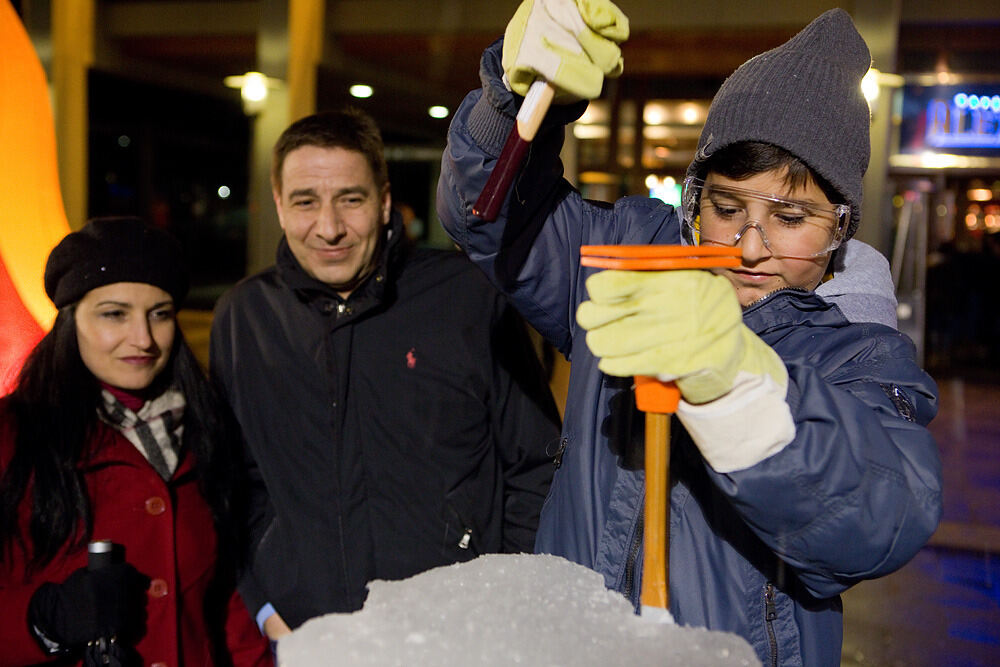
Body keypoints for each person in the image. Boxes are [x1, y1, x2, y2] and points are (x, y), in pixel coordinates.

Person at [436, 3, 942, 666]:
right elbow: (486, 218)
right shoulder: (627, 252)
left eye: (792, 217)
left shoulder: (859, 349)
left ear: (842, 223)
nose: (750, 246)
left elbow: (882, 515)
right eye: (726, 207)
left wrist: (735, 385)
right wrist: (515, 95)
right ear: (694, 196)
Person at [209, 108, 561, 639]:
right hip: (311, 635)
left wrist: (505, 603)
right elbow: (236, 485)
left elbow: (535, 468)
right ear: (279, 206)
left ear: (385, 200)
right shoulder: (244, 318)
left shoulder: (467, 298)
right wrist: (267, 605)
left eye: (351, 199)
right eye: (306, 202)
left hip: (457, 631)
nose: (329, 229)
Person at [0, 218, 271, 667]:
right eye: (114, 314)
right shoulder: (14, 438)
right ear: (71, 320)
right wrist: (43, 621)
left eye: (160, 314)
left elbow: (225, 604)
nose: (143, 339)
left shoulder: (207, 432)